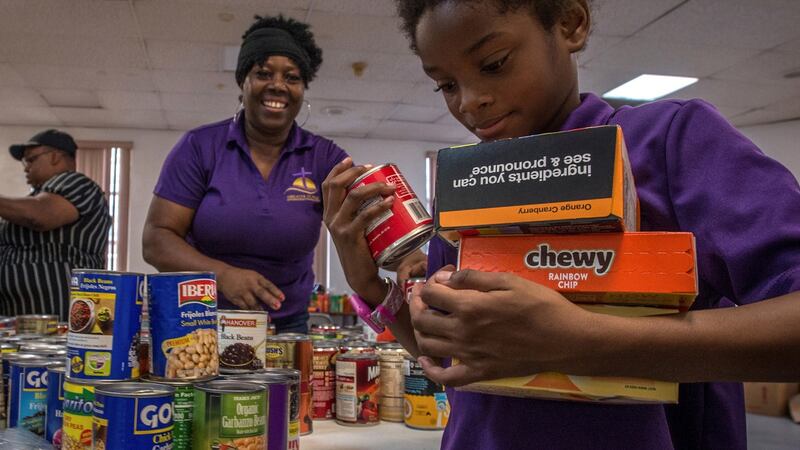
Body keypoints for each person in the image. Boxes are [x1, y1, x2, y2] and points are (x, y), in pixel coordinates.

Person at [322, 1, 800, 449]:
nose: (470, 102)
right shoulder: (469, 188)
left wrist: (583, 342)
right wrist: (367, 283)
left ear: (570, 24)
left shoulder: (668, 144)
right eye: (446, 84)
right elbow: (454, 357)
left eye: (493, 63)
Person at [143, 15, 349, 334]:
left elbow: (369, 225)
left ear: (302, 88)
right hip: (201, 321)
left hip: (287, 328)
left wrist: (404, 259)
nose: (278, 85)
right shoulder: (200, 147)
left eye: (292, 77)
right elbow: (156, 240)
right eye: (263, 73)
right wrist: (221, 275)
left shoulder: (324, 157)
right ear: (244, 82)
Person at [0, 129, 111, 321]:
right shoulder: (30, 200)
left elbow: (40, 215)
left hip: (57, 313)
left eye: (31, 160)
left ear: (54, 156)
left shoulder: (77, 184)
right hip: (20, 318)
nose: (26, 168)